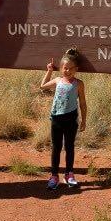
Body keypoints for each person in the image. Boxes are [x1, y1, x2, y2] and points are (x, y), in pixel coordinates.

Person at [40, 48, 87, 190]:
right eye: (65, 68)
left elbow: (83, 103)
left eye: (71, 68)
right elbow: (42, 86)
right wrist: (49, 71)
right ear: (61, 68)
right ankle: (54, 176)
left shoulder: (78, 84)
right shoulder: (57, 80)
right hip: (57, 119)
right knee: (56, 147)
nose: (68, 71)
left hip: (71, 119)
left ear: (76, 69)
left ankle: (69, 174)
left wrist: (84, 120)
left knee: (69, 147)